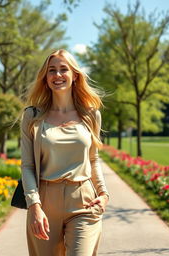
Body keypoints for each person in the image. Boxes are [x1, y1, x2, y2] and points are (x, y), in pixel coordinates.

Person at [20, 49, 109, 256]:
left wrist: (104, 194)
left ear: (75, 75)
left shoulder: (90, 115)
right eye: (52, 70)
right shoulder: (32, 117)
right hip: (44, 202)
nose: (57, 75)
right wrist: (34, 205)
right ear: (45, 76)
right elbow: (27, 166)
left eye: (63, 69)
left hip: (83, 201)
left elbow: (93, 159)